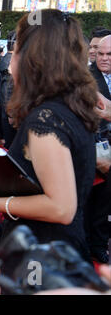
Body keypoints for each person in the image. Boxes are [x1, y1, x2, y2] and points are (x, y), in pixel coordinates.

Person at [0, 10, 99, 273]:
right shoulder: (62, 109)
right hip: (46, 256)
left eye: (16, 48)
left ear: (31, 59)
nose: (10, 59)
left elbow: (61, 207)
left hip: (43, 261)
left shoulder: (46, 119)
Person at [85, 35, 111, 263]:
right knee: (91, 200)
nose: (103, 58)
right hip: (95, 151)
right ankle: (89, 246)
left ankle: (100, 244)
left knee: (106, 203)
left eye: (109, 55)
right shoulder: (87, 78)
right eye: (100, 53)